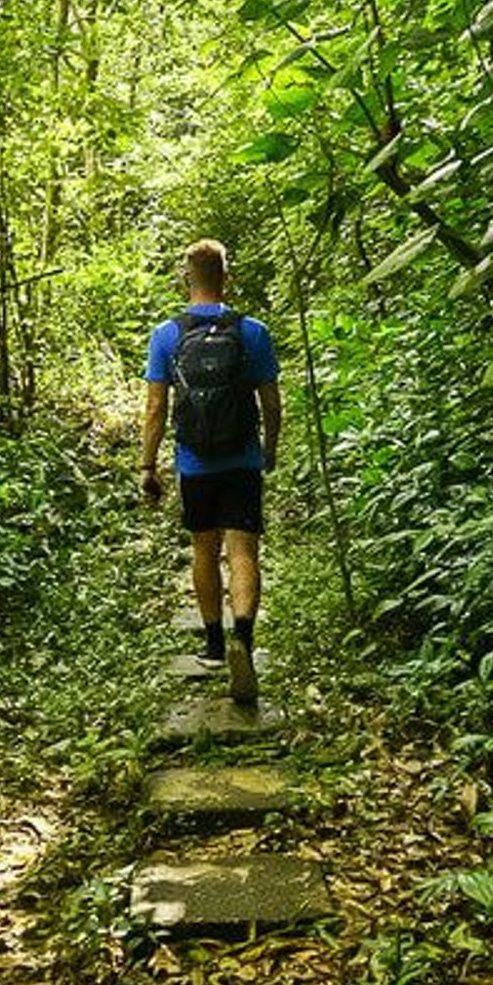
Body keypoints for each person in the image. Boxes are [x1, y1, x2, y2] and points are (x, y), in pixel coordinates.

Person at [139, 239, 281, 706]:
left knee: (205, 549)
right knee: (243, 551)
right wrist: (269, 449)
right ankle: (244, 634)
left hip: (194, 462)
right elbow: (270, 400)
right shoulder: (252, 331)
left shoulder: (167, 335)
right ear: (227, 276)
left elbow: (156, 407)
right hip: (242, 459)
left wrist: (148, 465)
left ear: (187, 278)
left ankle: (215, 645)